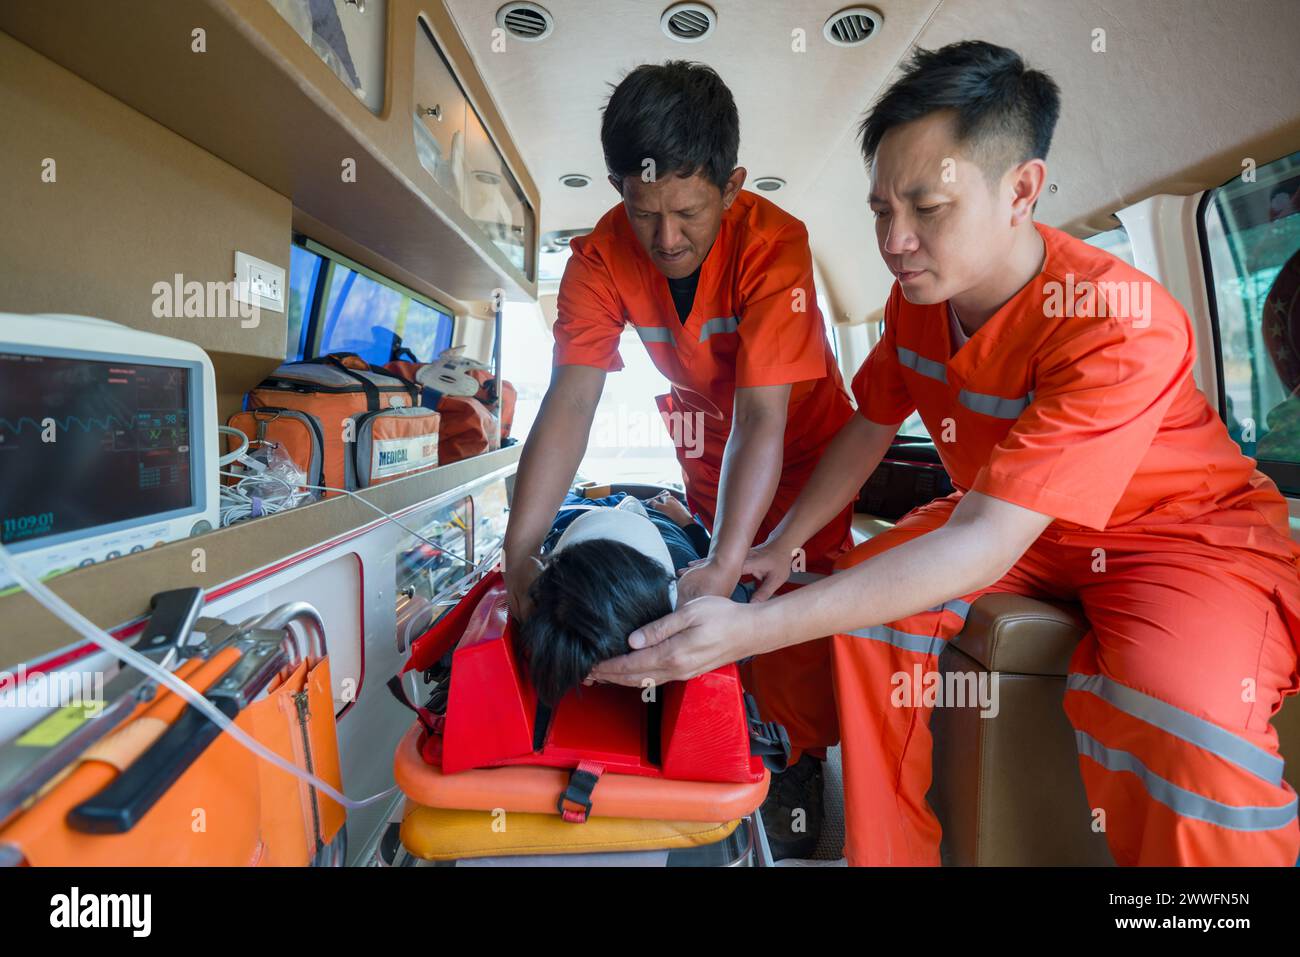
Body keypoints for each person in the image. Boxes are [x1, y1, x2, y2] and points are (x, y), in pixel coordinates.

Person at [590, 40, 1300, 867]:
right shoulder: (914, 305)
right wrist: (777, 550)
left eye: (927, 208)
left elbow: (985, 540)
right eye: (881, 210)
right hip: (1013, 521)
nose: (896, 240)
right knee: (862, 611)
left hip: (1176, 536)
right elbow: (869, 425)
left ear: (1021, 191)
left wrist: (749, 630)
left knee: (1180, 715)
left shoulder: (1116, 318)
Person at [502, 61, 855, 858]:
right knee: (704, 606)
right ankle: (712, 735)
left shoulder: (778, 246)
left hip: (798, 454)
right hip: (705, 453)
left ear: (731, 187)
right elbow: (571, 401)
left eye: (689, 212)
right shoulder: (598, 257)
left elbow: (763, 417)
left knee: (787, 619)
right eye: (643, 210)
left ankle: (790, 769)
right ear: (618, 190)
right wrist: (518, 550)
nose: (666, 239)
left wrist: (732, 561)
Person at [519, 491, 750, 707]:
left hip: (592, 522)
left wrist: (687, 522)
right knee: (565, 497)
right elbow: (710, 557)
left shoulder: (699, 594)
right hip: (581, 526)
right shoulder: (704, 589)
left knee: (567, 498)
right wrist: (687, 523)